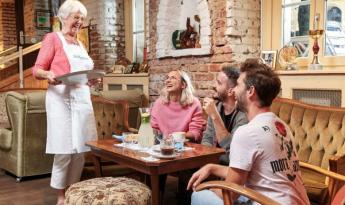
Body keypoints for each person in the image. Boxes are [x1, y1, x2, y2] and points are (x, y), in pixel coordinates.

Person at [187, 58, 310, 205]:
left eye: (238, 84)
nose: (234, 90)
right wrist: (212, 168)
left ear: (251, 91)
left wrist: (208, 188)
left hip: (269, 202)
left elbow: (230, 194)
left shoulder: (247, 132)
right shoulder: (280, 124)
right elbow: (247, 174)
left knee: (199, 195)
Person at [32, 1, 98, 204]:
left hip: (82, 97)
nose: (79, 22)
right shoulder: (52, 39)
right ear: (64, 17)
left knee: (80, 150)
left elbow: (83, 73)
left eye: (82, 18)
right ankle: (61, 195)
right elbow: (37, 70)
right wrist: (48, 74)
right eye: (76, 17)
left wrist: (92, 79)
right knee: (64, 149)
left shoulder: (81, 44)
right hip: (60, 98)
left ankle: (71, 190)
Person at [201, 66, 247, 165]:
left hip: (233, 164)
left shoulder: (243, 114)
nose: (214, 86)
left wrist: (214, 115)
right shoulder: (216, 107)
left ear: (230, 91)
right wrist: (205, 156)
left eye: (219, 83)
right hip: (214, 159)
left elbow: (232, 147)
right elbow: (207, 138)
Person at [151, 70, 204, 142]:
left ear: (183, 85)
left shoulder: (194, 103)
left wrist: (176, 137)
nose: (167, 81)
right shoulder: (159, 103)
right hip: (163, 146)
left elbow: (195, 133)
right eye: (167, 78)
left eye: (173, 78)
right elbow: (154, 129)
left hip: (186, 146)